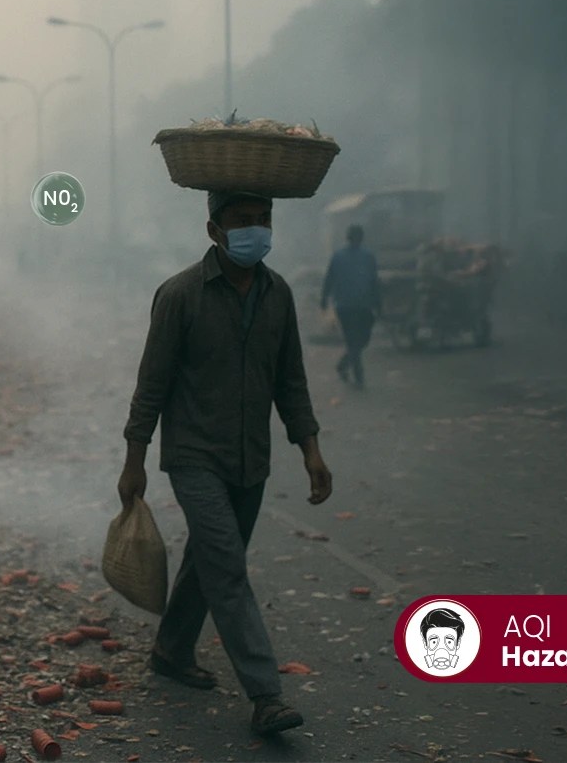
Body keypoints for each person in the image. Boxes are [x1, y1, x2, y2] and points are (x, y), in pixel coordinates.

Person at [119, 190, 333, 739]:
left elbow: (291, 379)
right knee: (228, 568)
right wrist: (134, 460)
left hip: (250, 460)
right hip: (194, 457)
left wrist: (310, 449)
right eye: (243, 221)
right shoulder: (180, 295)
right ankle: (266, 695)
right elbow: (152, 385)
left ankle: (170, 650)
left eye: (264, 219)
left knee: (210, 559)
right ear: (214, 231)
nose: (256, 230)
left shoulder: (277, 294)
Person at [321, 224, 382, 389]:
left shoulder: (367, 256)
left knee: (361, 340)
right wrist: (324, 299)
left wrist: (378, 303)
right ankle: (358, 375)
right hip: (347, 305)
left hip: (361, 305)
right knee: (354, 340)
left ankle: (343, 364)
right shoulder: (339, 256)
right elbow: (329, 279)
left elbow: (374, 282)